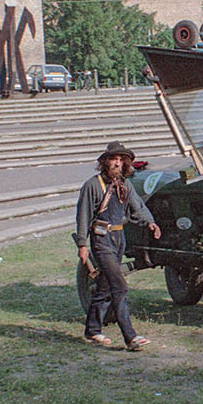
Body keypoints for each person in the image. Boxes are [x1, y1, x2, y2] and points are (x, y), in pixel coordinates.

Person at [74, 141, 161, 350]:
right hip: (101, 240)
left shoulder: (125, 185)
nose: (117, 163)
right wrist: (82, 245)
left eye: (121, 160)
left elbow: (138, 206)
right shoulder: (92, 185)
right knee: (119, 286)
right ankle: (130, 337)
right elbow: (83, 215)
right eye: (114, 159)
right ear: (105, 161)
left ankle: (92, 330)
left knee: (105, 286)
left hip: (119, 239)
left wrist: (150, 222)